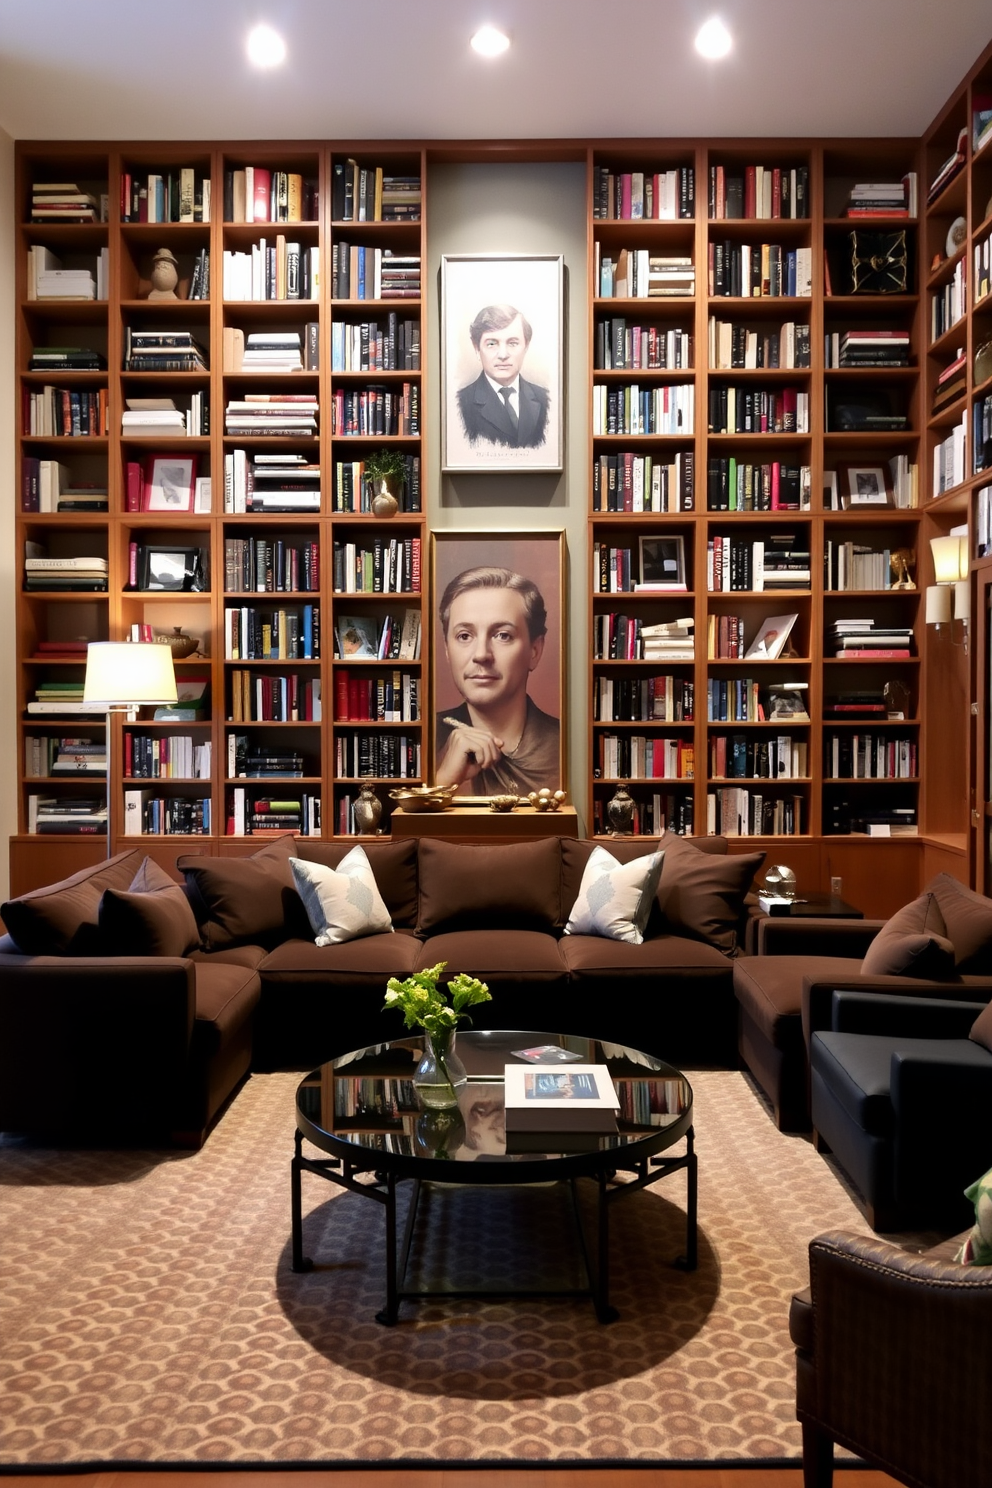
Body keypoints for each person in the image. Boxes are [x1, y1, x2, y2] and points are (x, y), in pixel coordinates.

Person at [435, 565, 560, 796]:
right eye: (464, 636)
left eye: (503, 635)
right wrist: (442, 781)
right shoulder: (420, 740)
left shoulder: (566, 746)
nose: (481, 654)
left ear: (535, 650)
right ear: (447, 650)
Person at [456, 303, 550, 449]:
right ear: (476, 349)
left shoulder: (545, 399)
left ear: (526, 347)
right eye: (492, 343)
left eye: (512, 343)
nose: (503, 355)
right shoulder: (460, 403)